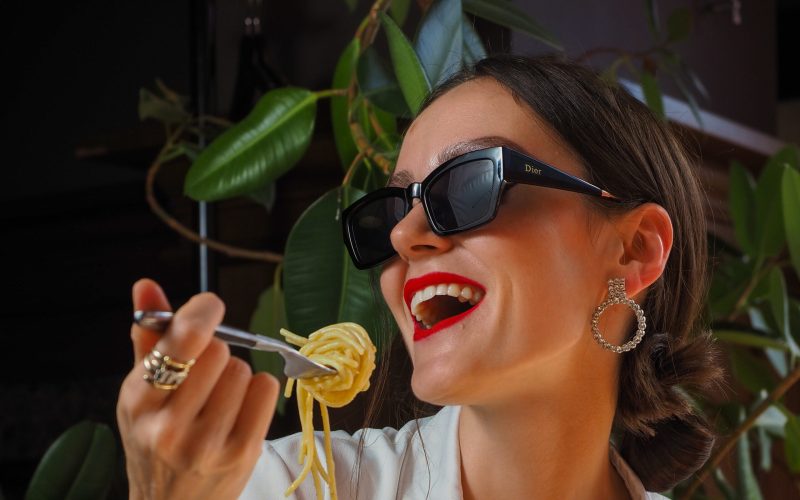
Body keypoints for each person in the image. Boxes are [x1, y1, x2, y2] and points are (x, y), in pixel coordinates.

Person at [117, 54, 723, 499]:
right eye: (388, 214)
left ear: (635, 250)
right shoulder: (288, 487)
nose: (405, 237)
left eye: (467, 186)